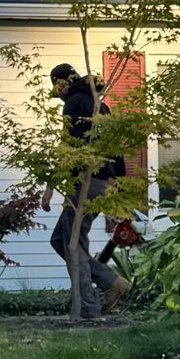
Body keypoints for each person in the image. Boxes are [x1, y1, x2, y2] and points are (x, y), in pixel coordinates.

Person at [48, 63, 131, 316]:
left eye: (55, 84)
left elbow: (66, 146)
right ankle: (110, 281)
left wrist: (49, 188)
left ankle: (89, 309)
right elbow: (115, 146)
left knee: (73, 246)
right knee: (62, 241)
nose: (56, 91)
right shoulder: (100, 105)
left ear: (62, 82)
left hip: (84, 183)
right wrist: (117, 181)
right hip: (101, 184)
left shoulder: (73, 104)